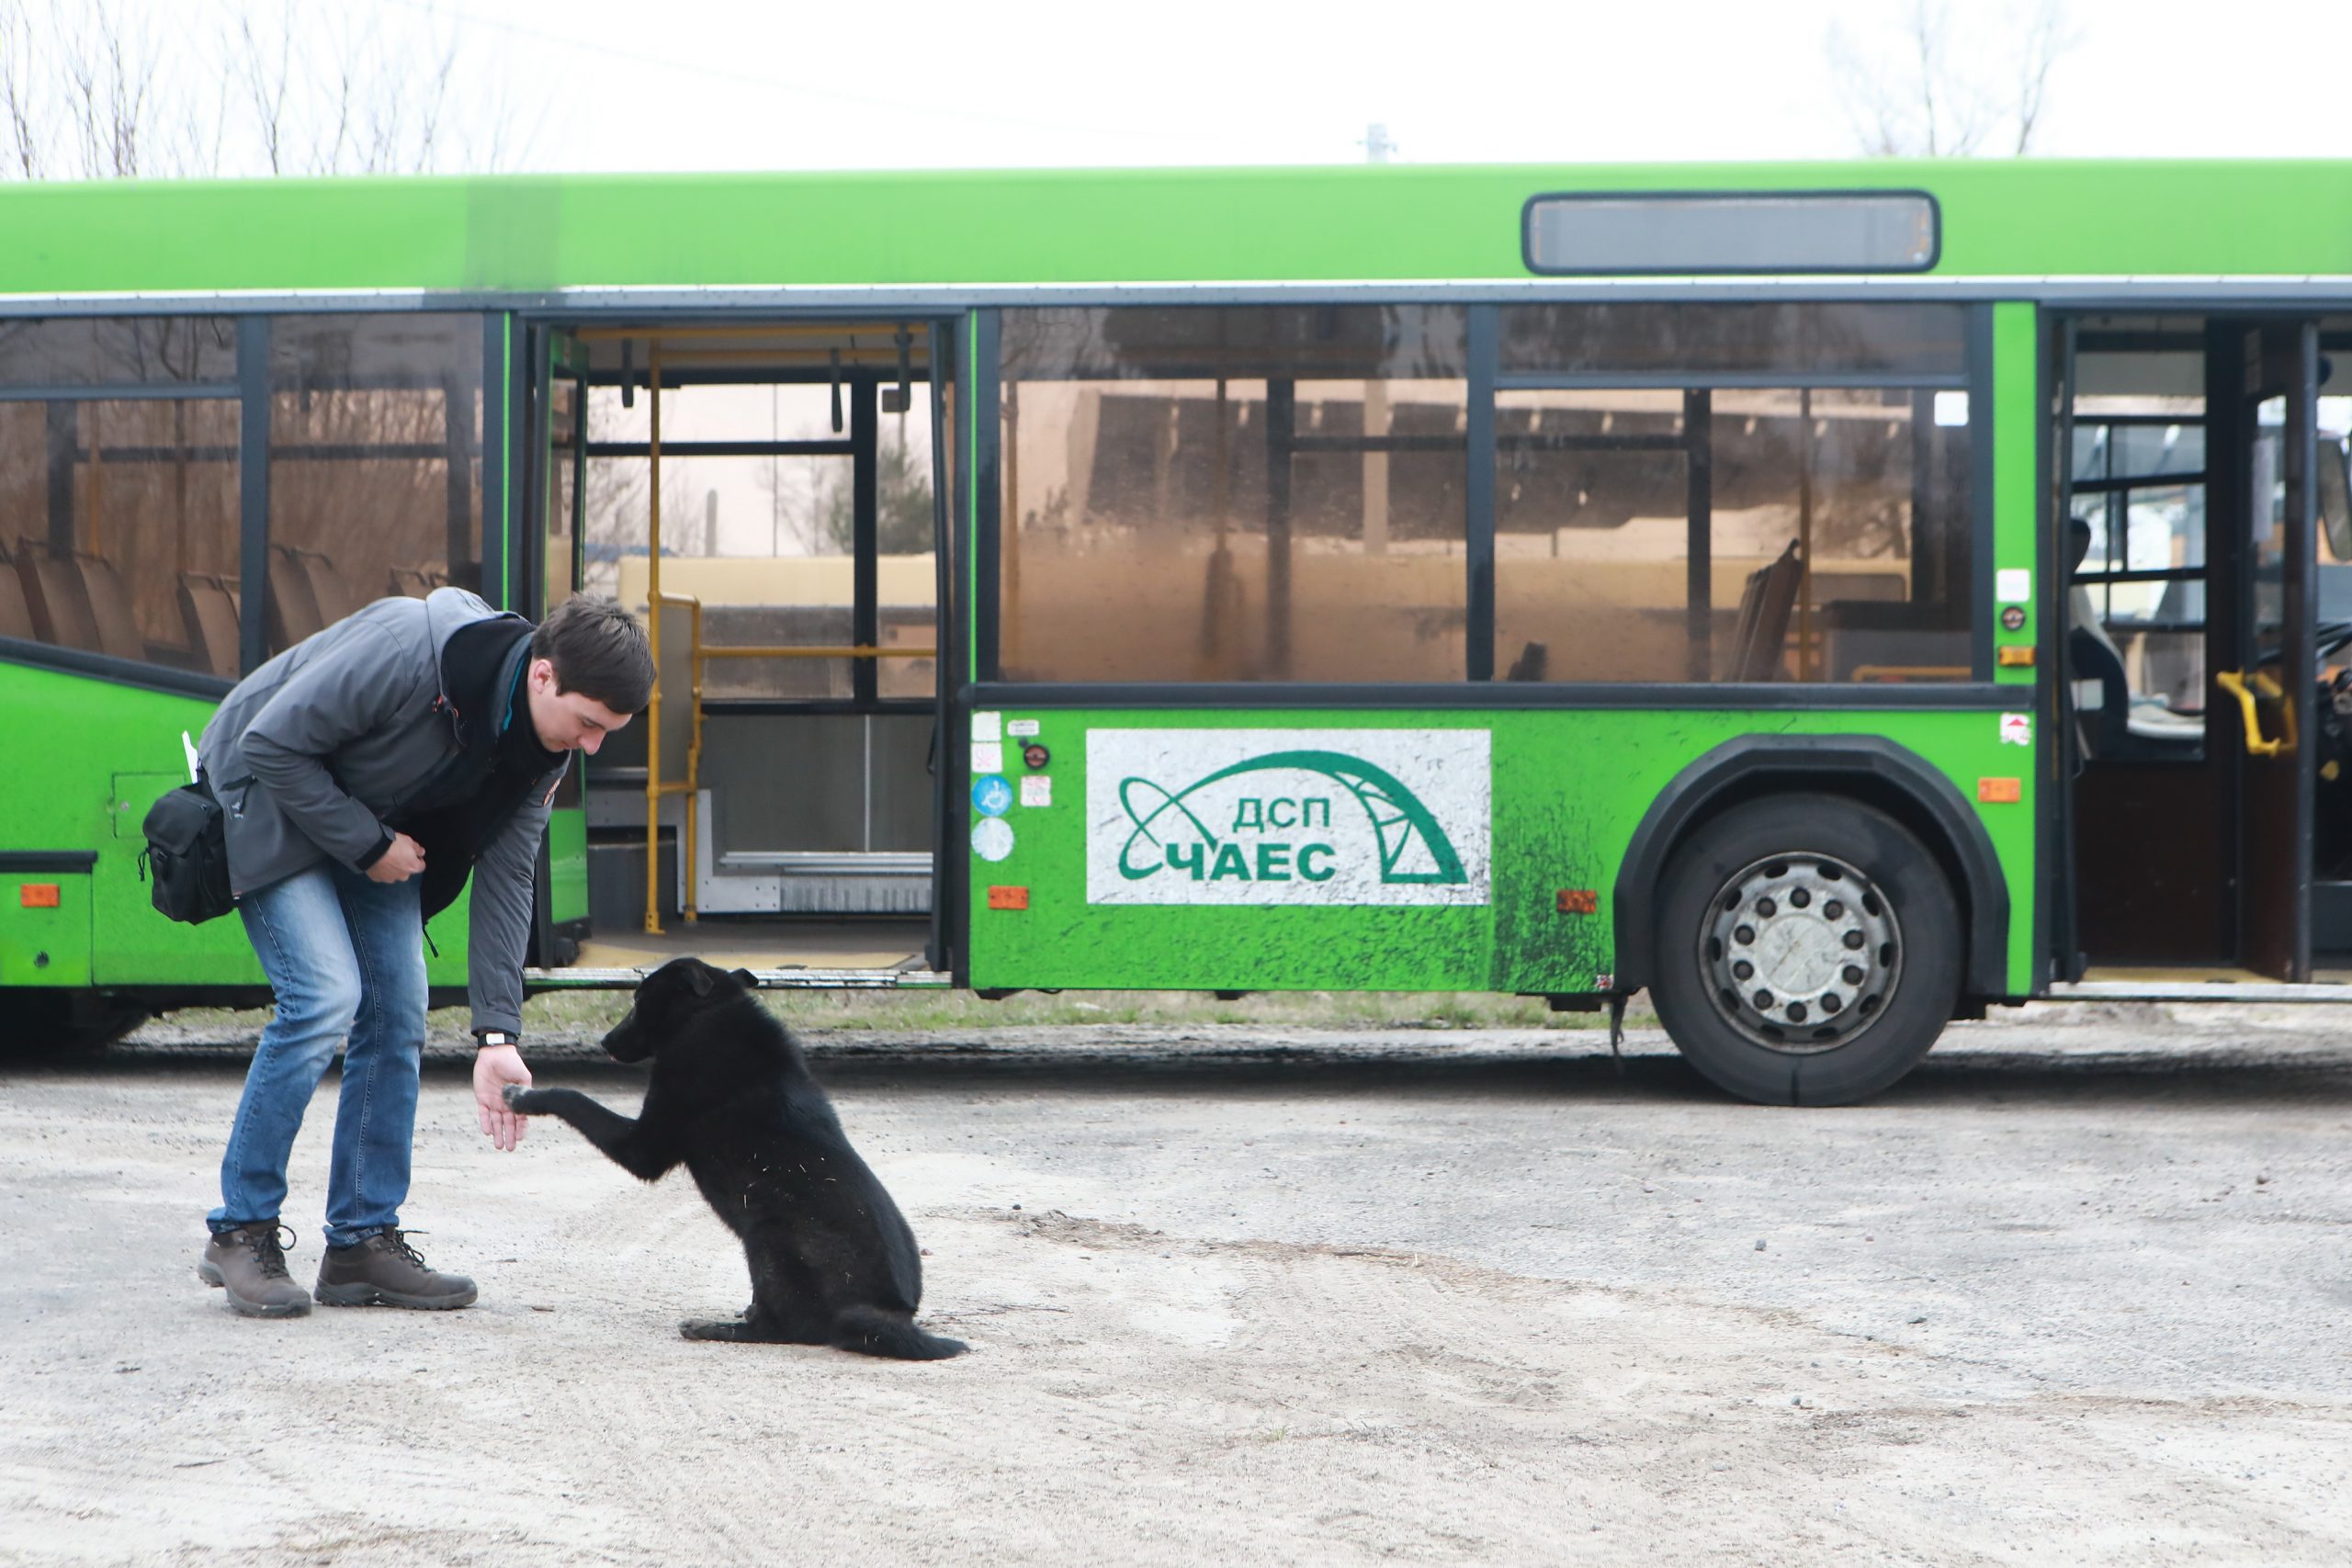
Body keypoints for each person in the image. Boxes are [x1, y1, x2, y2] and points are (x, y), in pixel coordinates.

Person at [193, 588, 653, 1318]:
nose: (592, 745)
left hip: (373, 821)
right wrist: (369, 843)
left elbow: (507, 882)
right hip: (272, 795)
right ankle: (240, 1228)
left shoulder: (544, 748)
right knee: (324, 998)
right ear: (543, 675)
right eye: (589, 722)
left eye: (609, 732)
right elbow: (269, 743)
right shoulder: (411, 650)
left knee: (400, 1010)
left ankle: (359, 1244)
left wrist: (497, 1033)